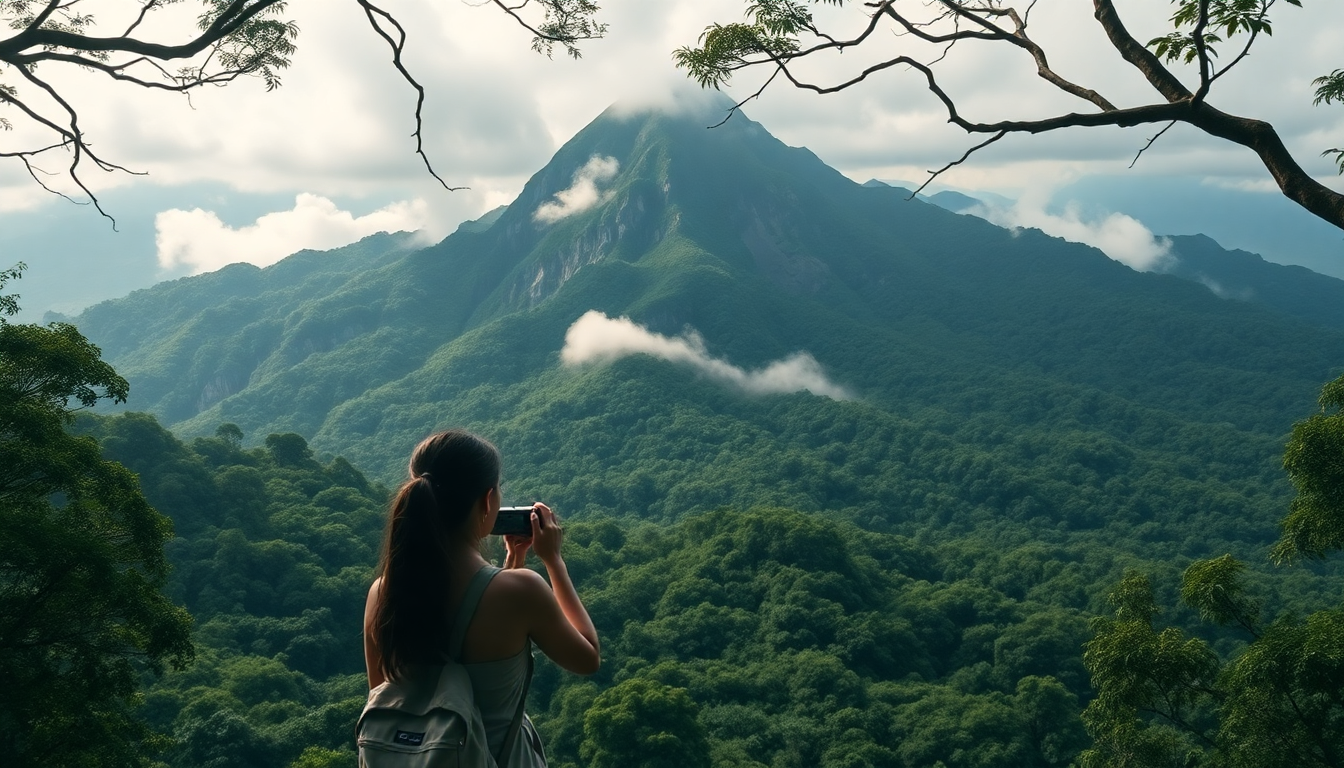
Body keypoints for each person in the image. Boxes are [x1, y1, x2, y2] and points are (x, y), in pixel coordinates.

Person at [363, 430, 600, 767]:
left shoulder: (381, 592)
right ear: (488, 500)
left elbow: (384, 693)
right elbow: (587, 657)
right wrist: (553, 561)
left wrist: (509, 568)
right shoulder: (522, 591)